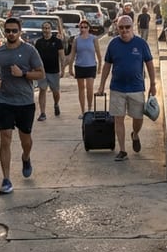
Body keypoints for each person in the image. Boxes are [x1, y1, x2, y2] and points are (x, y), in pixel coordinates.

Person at [0, 18, 45, 194]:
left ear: (20, 32)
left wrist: (23, 74)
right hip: (4, 101)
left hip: (25, 102)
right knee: (5, 138)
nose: (11, 34)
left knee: (25, 139)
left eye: (14, 31)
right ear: (4, 32)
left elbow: (41, 73)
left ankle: (26, 157)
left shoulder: (29, 51)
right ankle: (6, 179)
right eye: (8, 31)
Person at [95, 15, 156, 162]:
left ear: (132, 26)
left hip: (136, 88)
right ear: (117, 28)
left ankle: (135, 134)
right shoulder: (113, 44)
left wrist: (153, 84)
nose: (124, 30)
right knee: (118, 119)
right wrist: (102, 85)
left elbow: (149, 64)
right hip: (117, 88)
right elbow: (107, 66)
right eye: (121, 27)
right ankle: (122, 150)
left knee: (138, 117)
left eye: (127, 27)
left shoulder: (141, 44)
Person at [66, 19, 103, 118]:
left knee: (90, 88)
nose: (83, 29)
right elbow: (73, 54)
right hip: (79, 66)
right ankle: (83, 111)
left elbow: (99, 54)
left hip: (91, 66)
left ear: (89, 28)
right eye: (81, 27)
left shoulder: (93, 39)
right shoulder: (76, 40)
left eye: (85, 27)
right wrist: (70, 67)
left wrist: (100, 66)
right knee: (81, 89)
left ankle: (90, 109)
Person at [33, 21, 64, 121]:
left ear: (51, 29)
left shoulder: (57, 41)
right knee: (42, 90)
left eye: (48, 28)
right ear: (42, 30)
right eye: (44, 28)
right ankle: (42, 113)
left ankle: (56, 104)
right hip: (42, 71)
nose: (46, 30)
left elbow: (62, 57)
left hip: (54, 70)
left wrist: (63, 70)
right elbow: (35, 57)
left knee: (55, 91)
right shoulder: (38, 42)